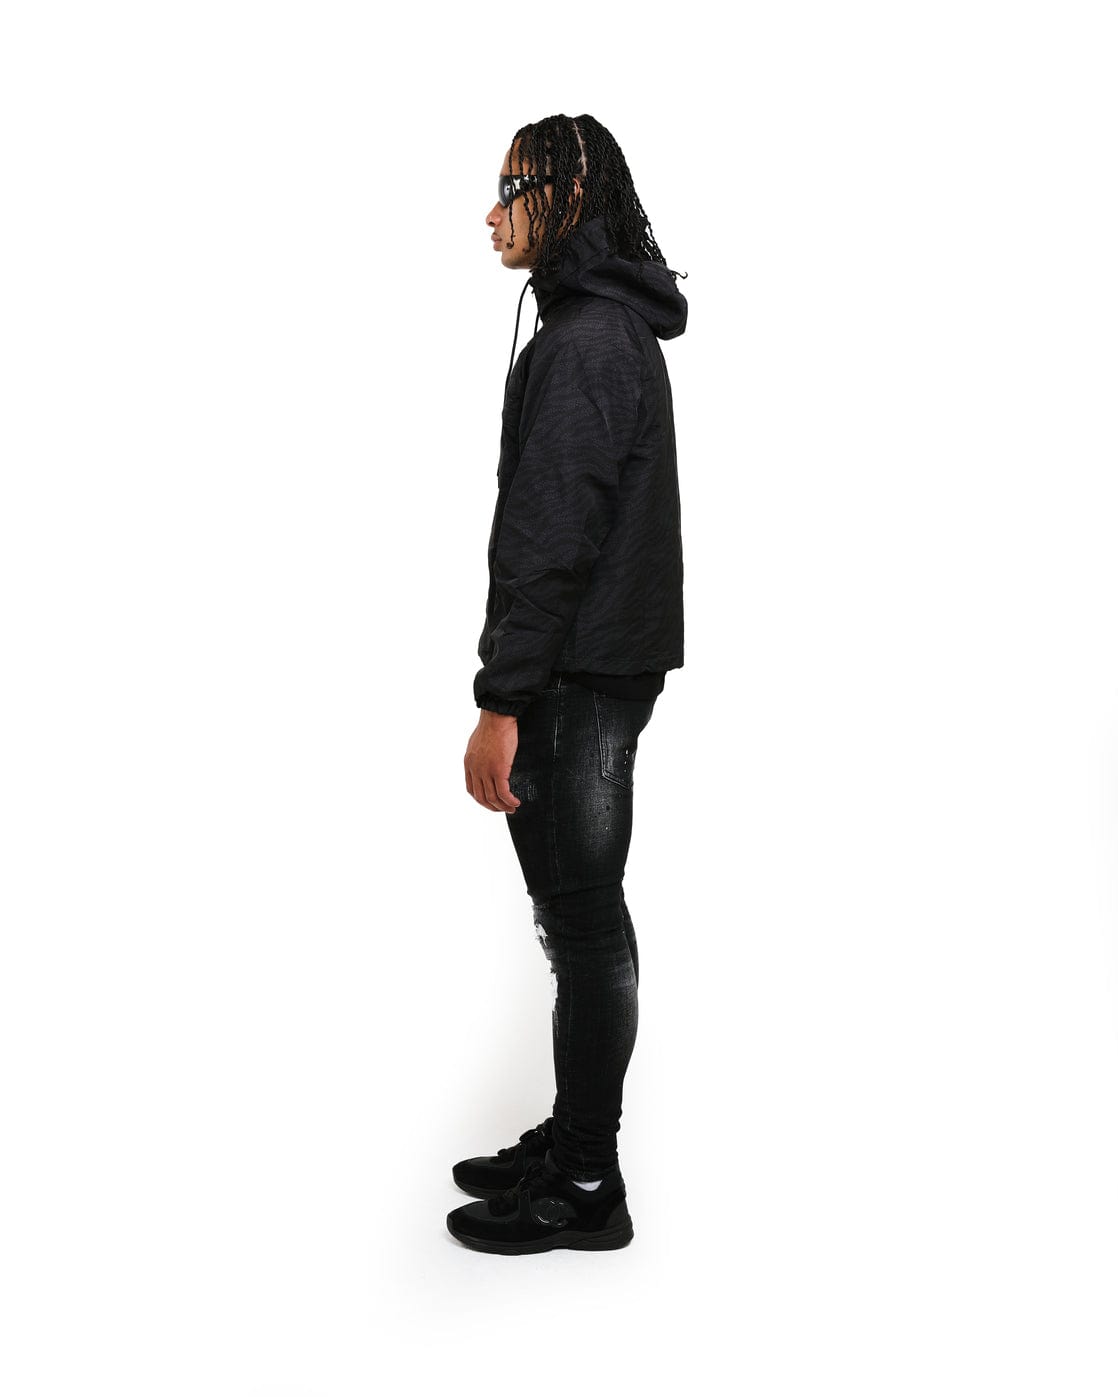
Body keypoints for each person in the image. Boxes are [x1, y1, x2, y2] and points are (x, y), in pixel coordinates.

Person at [448, 113, 688, 1255]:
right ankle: (573, 1138)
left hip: (576, 678)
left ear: (565, 194)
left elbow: (550, 540)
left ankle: (588, 1178)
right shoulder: (592, 329)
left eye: (511, 188)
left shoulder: (588, 341)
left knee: (585, 925)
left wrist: (501, 699)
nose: (491, 213)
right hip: (587, 665)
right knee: (576, 920)